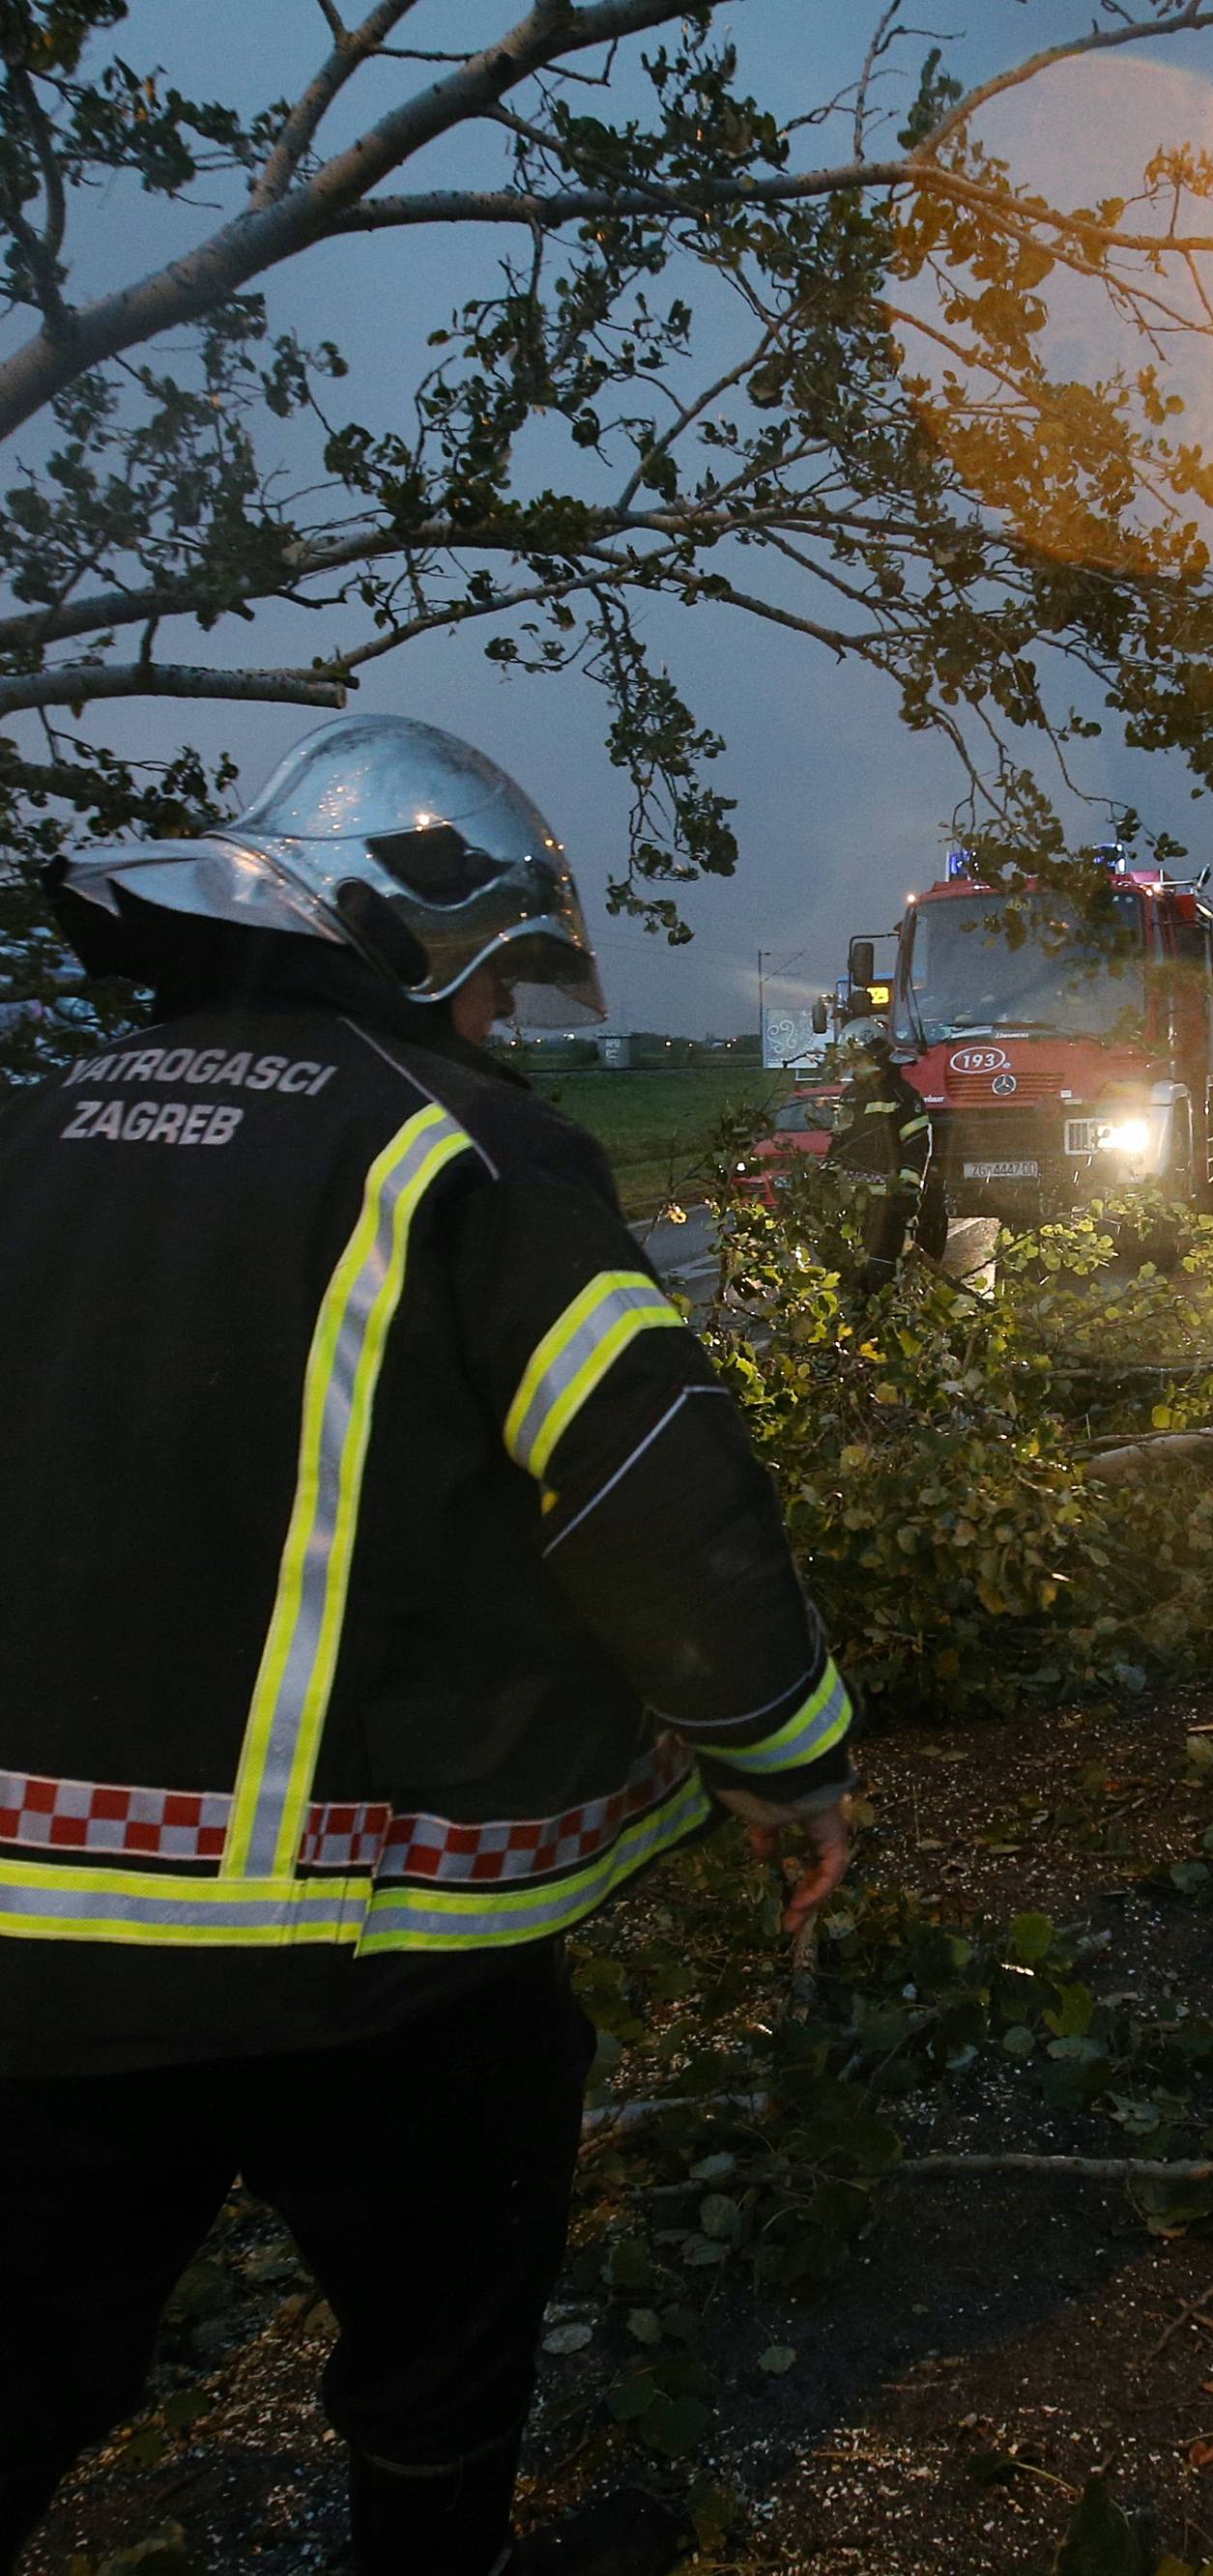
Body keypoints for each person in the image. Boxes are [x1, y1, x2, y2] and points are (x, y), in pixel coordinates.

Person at [0, 714, 854, 2576]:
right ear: (403, 939)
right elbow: (651, 1487)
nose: (502, 1026)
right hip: (374, 1959)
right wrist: (791, 1762)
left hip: (30, 1956)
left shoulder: (39, 1133)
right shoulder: (463, 1155)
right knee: (439, 2354)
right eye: (493, 984)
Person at [823, 1021, 939, 1294]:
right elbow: (839, 1144)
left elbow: (916, 1148)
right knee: (846, 1276)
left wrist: (907, 1195)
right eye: (849, 1061)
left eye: (858, 1059)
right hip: (850, 1206)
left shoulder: (903, 1097)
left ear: (876, 1055)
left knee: (882, 1276)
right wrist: (824, 1177)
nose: (854, 1067)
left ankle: (886, 1326)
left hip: (888, 1205)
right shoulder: (851, 1096)